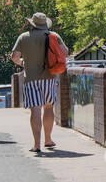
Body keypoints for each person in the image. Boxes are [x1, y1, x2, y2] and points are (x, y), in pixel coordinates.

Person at [9, 12, 67, 152]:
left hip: (31, 80)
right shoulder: (53, 36)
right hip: (49, 77)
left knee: (35, 110)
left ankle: (36, 145)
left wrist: (24, 63)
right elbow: (65, 52)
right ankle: (48, 139)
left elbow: (14, 57)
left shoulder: (24, 37)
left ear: (32, 24)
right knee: (48, 107)